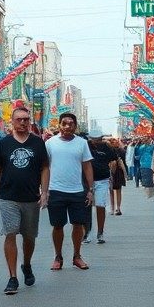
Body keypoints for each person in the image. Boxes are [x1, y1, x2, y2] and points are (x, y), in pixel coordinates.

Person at [0, 107, 49, 295]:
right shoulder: (3, 144)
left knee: (29, 237)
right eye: (19, 119)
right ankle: (12, 277)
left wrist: (45, 192)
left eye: (26, 119)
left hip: (31, 198)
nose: (23, 122)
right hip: (8, 197)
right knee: (11, 233)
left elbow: (45, 168)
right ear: (12, 122)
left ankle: (27, 264)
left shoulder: (38, 143)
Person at [44, 113, 94, 271]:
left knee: (78, 224)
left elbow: (87, 166)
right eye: (64, 123)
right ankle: (58, 256)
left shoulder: (82, 143)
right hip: (55, 190)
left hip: (77, 190)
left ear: (75, 126)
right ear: (59, 125)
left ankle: (77, 256)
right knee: (57, 225)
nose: (67, 126)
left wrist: (90, 190)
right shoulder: (50, 143)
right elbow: (45, 168)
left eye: (71, 124)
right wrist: (43, 190)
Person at [87, 130, 119, 243]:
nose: (96, 142)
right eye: (94, 140)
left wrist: (111, 174)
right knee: (86, 206)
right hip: (86, 181)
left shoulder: (107, 147)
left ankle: (100, 232)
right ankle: (86, 232)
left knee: (100, 205)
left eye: (98, 140)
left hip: (102, 180)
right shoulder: (86, 146)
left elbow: (114, 160)